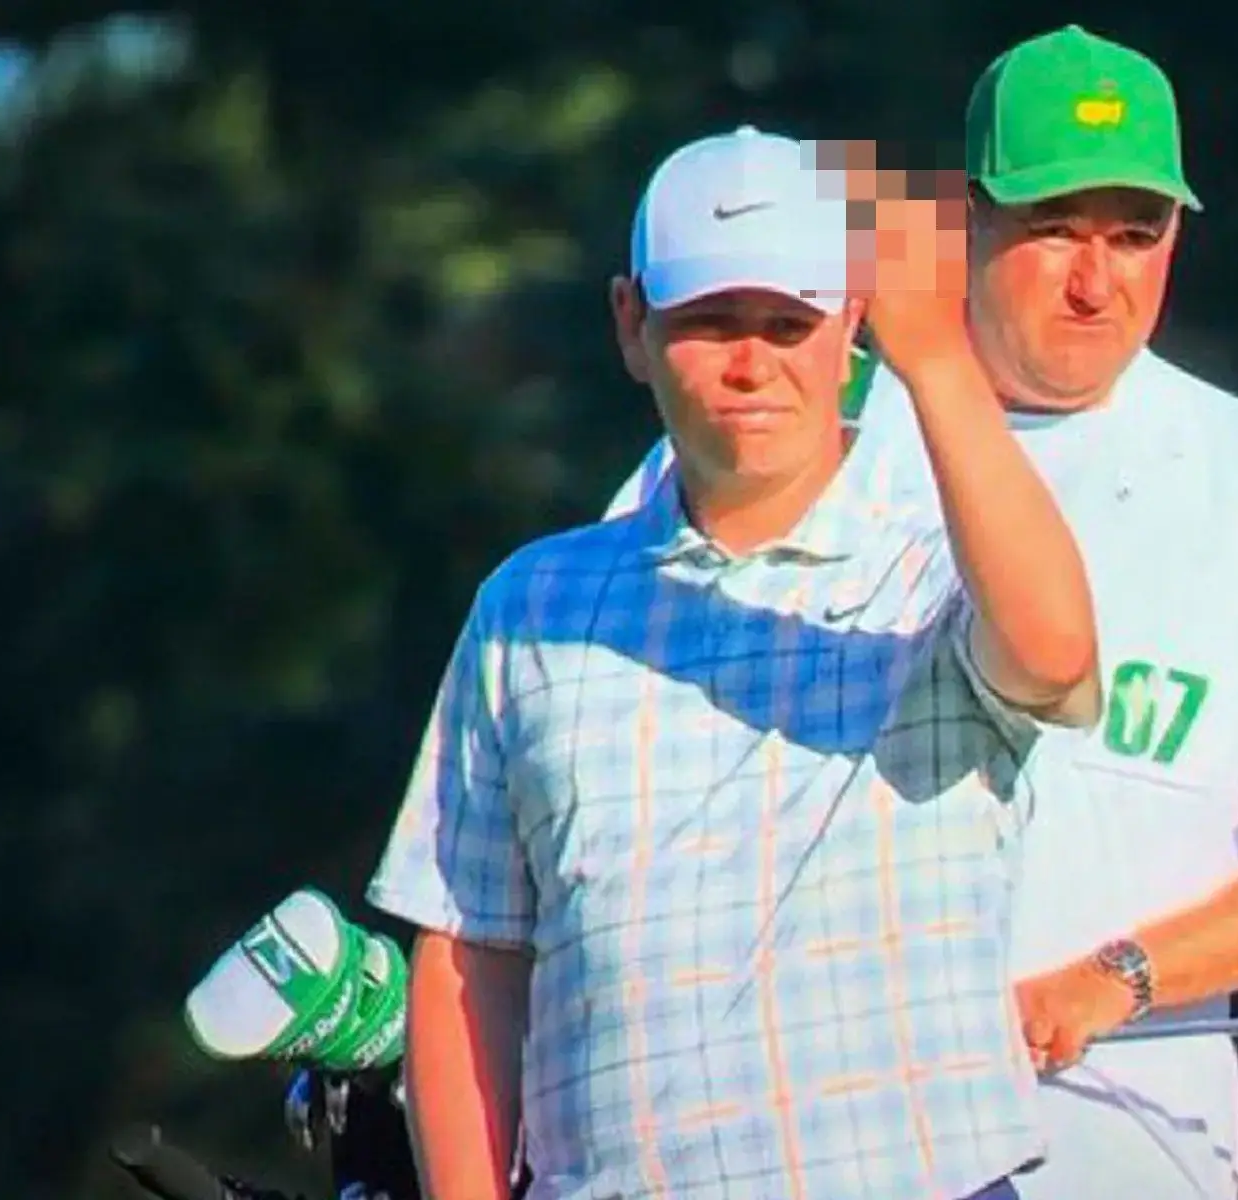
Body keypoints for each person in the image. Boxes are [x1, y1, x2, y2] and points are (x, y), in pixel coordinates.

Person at [608, 28, 1238, 1200]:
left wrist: (1117, 978)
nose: (1097, 281)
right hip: (785, 1148)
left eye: (1135, 234)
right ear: (961, 223)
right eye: (1054, 228)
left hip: (1120, 1151)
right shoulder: (791, 428)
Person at [366, 125, 1103, 1200]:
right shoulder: (529, 604)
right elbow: (468, 951)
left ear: (850, 325)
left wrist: (939, 358)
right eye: (710, 323)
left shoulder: (944, 564)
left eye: (789, 322)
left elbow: (1052, 653)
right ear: (632, 323)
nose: (752, 363)